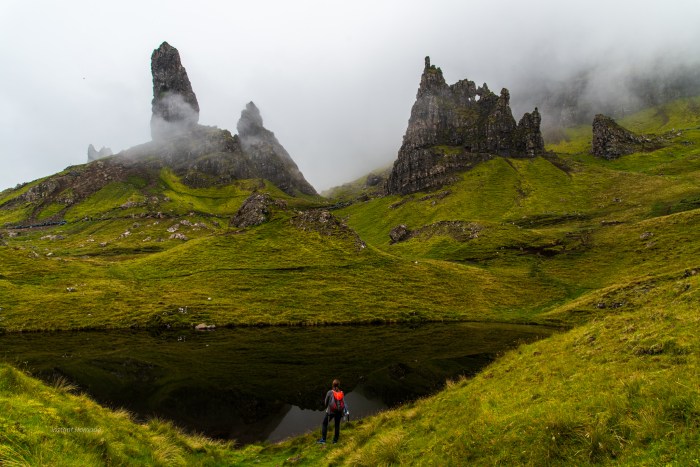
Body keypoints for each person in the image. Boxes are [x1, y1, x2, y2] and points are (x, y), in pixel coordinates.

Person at [317, 379, 347, 444]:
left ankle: (323, 440)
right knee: (337, 425)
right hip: (339, 412)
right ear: (339, 385)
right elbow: (343, 402)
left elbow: (326, 403)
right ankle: (335, 441)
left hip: (331, 412)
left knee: (324, 423)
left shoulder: (330, 392)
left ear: (332, 385)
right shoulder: (341, 392)